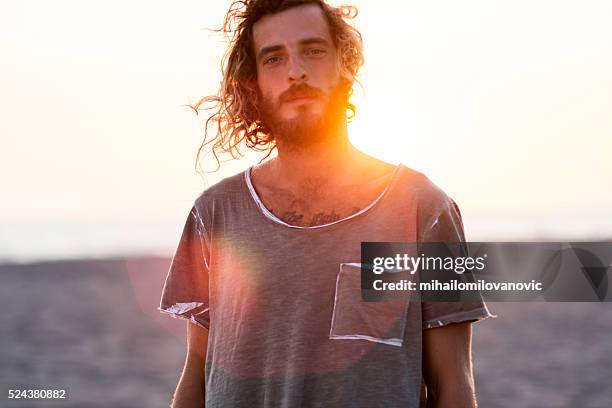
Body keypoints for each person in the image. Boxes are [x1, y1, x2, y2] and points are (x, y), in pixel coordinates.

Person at [158, 1, 496, 407]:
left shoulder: (423, 208)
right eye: (274, 58)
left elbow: (454, 385)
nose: (295, 71)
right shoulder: (215, 213)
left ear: (345, 64)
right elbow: (196, 379)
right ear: (254, 83)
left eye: (313, 50)